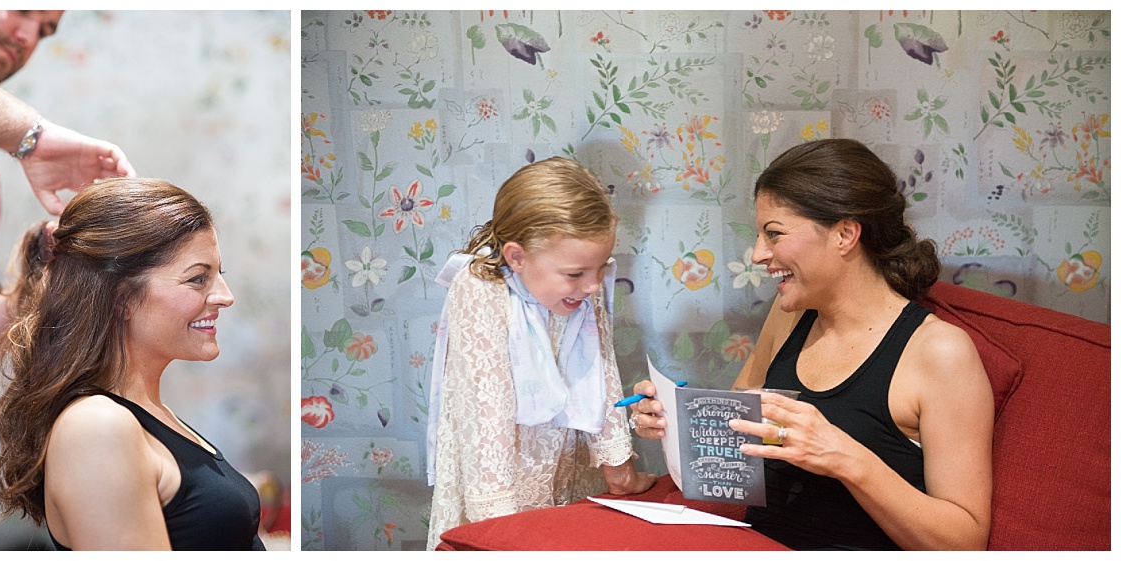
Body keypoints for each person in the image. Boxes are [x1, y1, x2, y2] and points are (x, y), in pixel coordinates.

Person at [629, 139, 993, 550]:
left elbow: (965, 543)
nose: (757, 255)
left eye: (774, 234)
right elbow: (733, 453)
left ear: (845, 233)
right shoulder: (787, 318)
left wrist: (845, 458)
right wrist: (675, 424)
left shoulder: (940, 352)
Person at [0, 178, 265, 550]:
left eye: (219, 275)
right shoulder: (96, 427)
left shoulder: (150, 414)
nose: (225, 296)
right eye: (198, 278)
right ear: (121, 298)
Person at [426, 157, 657, 550]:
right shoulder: (480, 289)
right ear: (517, 257)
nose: (594, 286)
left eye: (600, 268)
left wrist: (619, 471)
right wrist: (498, 529)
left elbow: (601, 372)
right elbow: (485, 417)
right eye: (576, 274)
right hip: (499, 491)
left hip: (565, 465)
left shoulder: (583, 285)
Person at [0, 10, 135, 371]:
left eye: (44, 30)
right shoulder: (17, 139)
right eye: (24, 9)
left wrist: (44, 277)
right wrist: (33, 138)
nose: (28, 37)